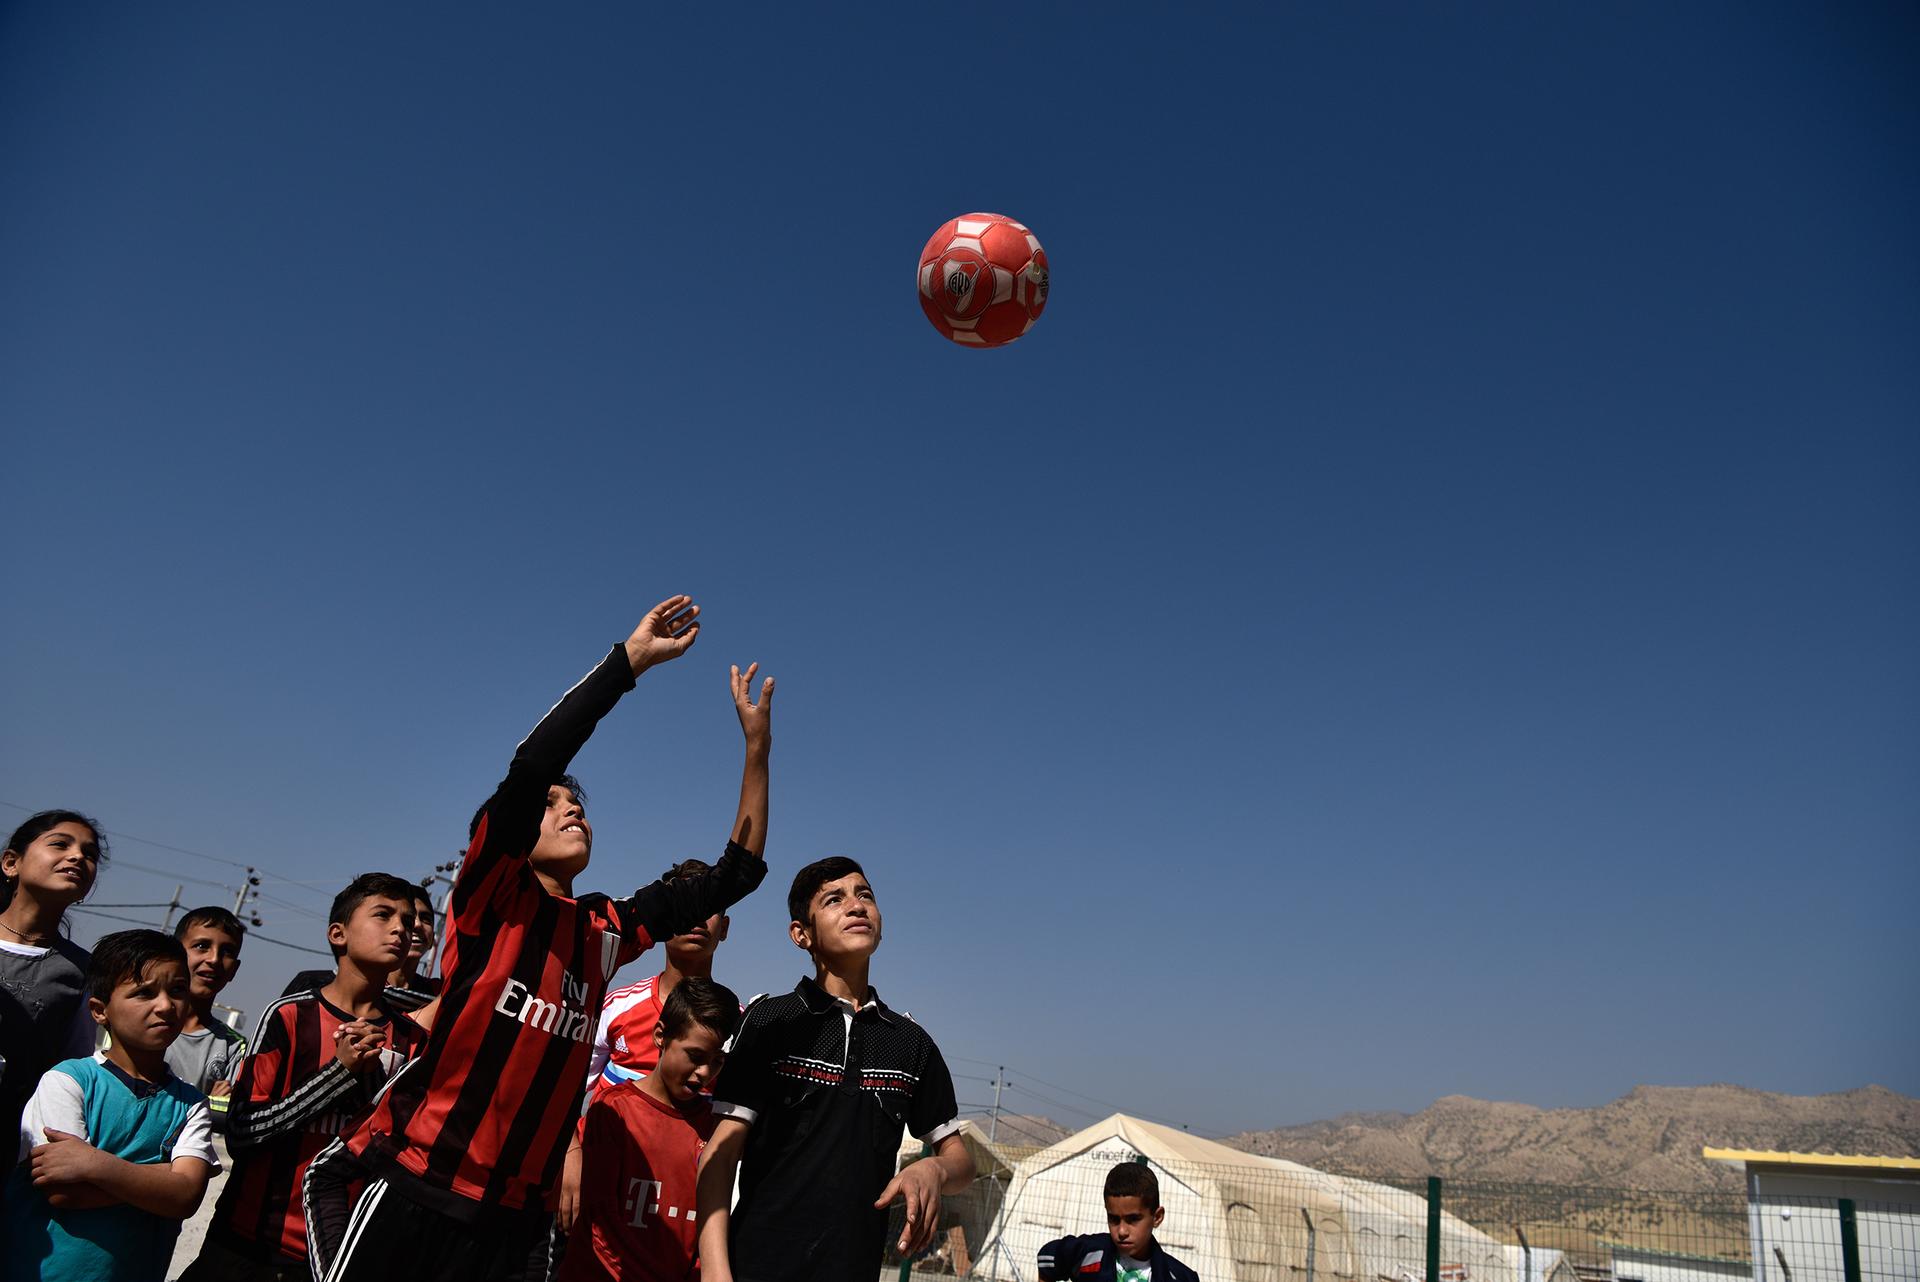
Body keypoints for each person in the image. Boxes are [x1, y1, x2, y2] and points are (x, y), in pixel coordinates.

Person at [312, 596, 774, 1282]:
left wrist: (756, 748)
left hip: (508, 1224)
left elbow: (736, 873)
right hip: (416, 1189)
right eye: (557, 806)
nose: (573, 808)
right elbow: (532, 767)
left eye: (578, 803)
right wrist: (629, 663)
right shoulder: (492, 897)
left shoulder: (606, 929)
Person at [696, 857, 973, 1282]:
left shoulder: (912, 1042)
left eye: (865, 895)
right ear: (801, 934)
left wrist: (934, 1168)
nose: (857, 906)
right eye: (834, 899)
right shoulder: (770, 1020)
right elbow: (719, 1157)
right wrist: (716, 1273)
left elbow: (960, 1161)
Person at [180, 873, 428, 1282]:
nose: (402, 928)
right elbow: (242, 1132)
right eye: (383, 915)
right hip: (246, 1244)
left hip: (336, 1258)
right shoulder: (289, 1016)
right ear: (338, 934)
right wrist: (339, 1074)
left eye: (407, 919)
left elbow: (400, 1150)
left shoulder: (414, 1041)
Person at [2, 929, 219, 1282]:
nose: (165, 1006)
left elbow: (186, 1198)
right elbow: (65, 1191)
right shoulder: (68, 1081)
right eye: (144, 993)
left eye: (177, 990)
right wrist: (165, 1180)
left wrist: (94, 1163)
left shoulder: (191, 1105)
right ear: (100, 1011)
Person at [558, 856, 735, 1231]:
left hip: (682, 1217)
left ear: (726, 928)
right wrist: (569, 1151)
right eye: (687, 904)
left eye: (711, 907)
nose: (698, 916)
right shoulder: (614, 1006)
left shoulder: (742, 1025)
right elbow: (563, 1090)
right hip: (596, 1199)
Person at [555, 977, 740, 1282]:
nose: (705, 1072)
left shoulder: (716, 1130)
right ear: (660, 1036)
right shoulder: (614, 1111)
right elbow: (600, 1224)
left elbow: (709, 1235)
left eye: (717, 1061)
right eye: (695, 1056)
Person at [0, 810, 107, 1164]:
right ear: (11, 863)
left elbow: (69, 1070)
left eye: (89, 854)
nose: (78, 856)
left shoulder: (84, 973)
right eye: (60, 844)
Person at [281, 882, 440, 1013]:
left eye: (425, 919)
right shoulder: (314, 984)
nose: (416, 925)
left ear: (433, 938)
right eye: (383, 915)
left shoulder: (438, 995)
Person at [1037, 1162, 1200, 1282]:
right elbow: (1047, 1260)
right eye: (1114, 1219)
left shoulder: (1180, 1277)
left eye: (1133, 1219)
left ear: (1157, 1217)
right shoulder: (1087, 1253)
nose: (1122, 1231)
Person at [168, 906, 250, 1129]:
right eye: (202, 946)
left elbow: (227, 1117)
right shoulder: (143, 1020)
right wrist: (206, 1102)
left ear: (234, 969)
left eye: (227, 951)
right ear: (175, 952)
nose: (214, 959)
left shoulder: (235, 1048)